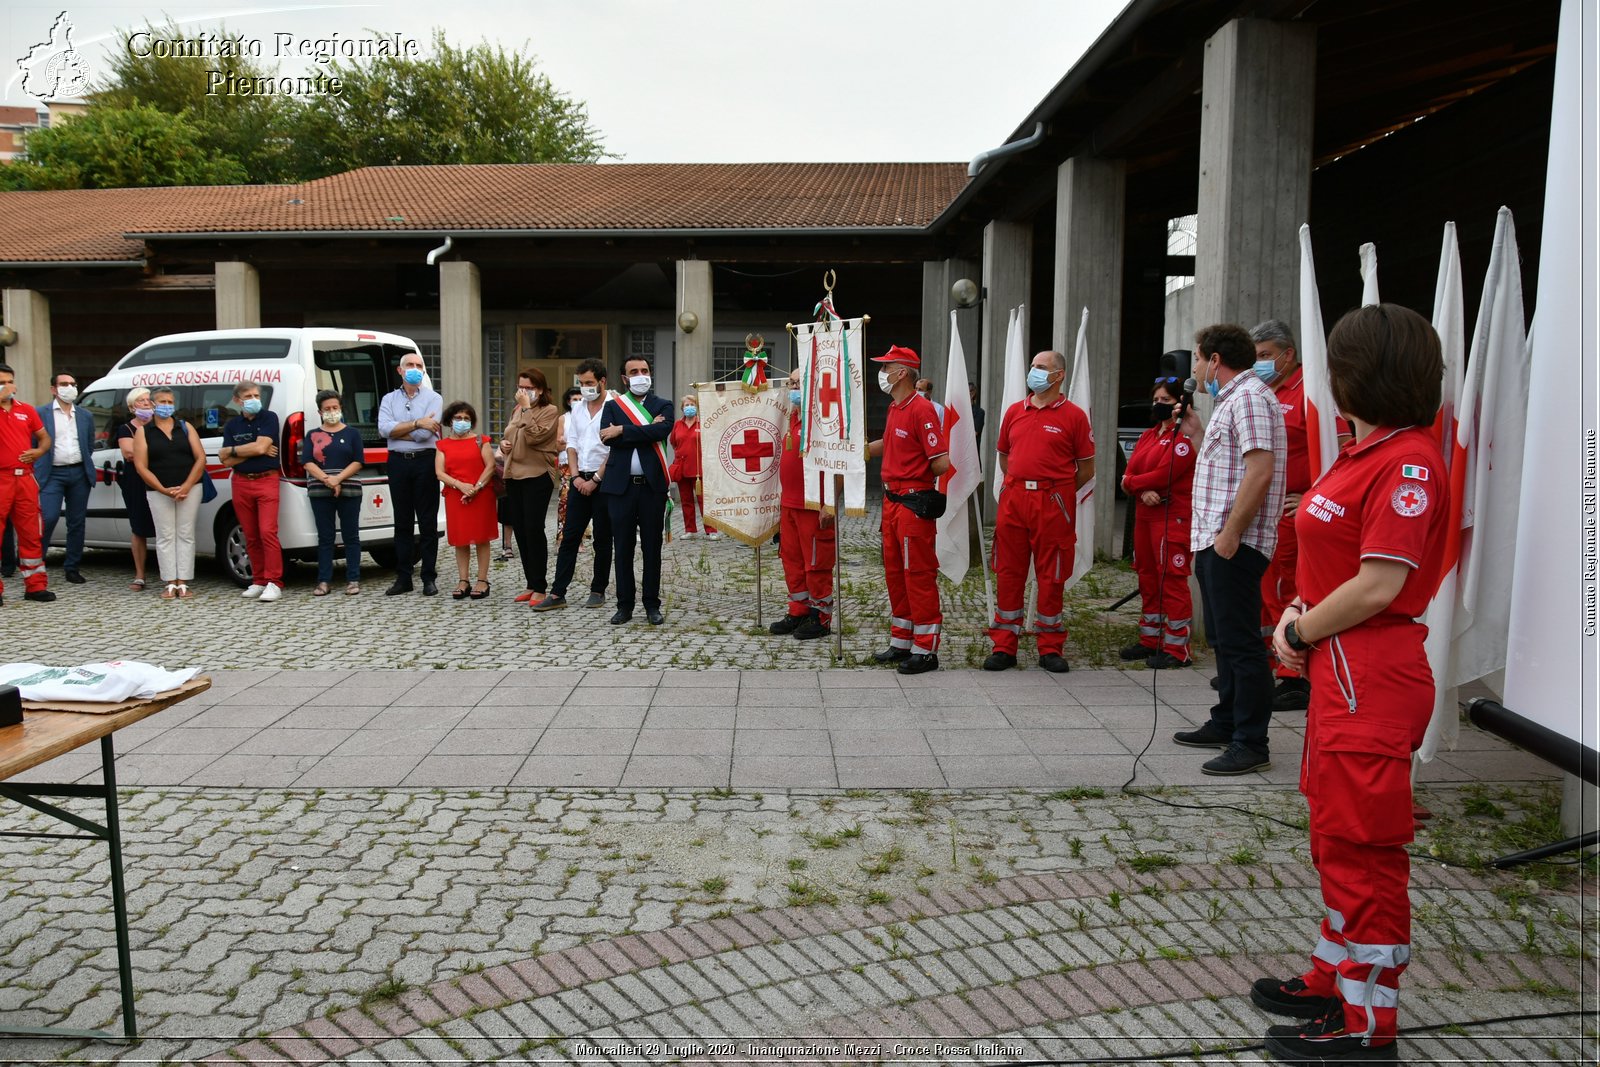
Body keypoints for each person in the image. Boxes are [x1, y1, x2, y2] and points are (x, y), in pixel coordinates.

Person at [1255, 303, 1449, 1066]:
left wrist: (1301, 629)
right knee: (1335, 835)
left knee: (1365, 849)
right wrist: (1301, 603)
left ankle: (1369, 1024)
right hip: (1342, 668)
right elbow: (1338, 558)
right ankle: (1335, 977)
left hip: (1369, 666)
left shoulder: (1407, 461)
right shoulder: (1362, 449)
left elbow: (1379, 584)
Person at [1172, 323, 1287, 775]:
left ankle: (1251, 740)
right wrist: (1198, 433)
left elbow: (1259, 470)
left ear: (1215, 359)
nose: (1196, 368)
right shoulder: (1229, 401)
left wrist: (1231, 533)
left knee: (1241, 644)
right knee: (1223, 638)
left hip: (1233, 542)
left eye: (1199, 359)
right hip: (1214, 540)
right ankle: (1227, 720)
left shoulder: (1251, 398)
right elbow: (1224, 468)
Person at [1250, 319, 1354, 712]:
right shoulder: (1266, 391)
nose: (1258, 363)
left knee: (1284, 590)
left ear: (1288, 354)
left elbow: (1342, 449)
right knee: (1264, 589)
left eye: (1264, 356)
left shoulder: (1312, 393)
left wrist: (1312, 494)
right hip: (1266, 511)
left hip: (1294, 515)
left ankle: (1293, 677)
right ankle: (1268, 661)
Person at [983, 350, 1095, 673]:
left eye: (1041, 367)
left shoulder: (1074, 416)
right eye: (1032, 366)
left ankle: (1050, 646)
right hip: (1015, 499)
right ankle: (1004, 645)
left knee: (1052, 574)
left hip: (1053, 502)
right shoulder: (1015, 412)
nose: (1033, 371)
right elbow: (1005, 458)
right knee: (1008, 571)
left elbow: (1086, 469)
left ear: (1059, 376)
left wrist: (1056, 493)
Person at [867, 345, 950, 674]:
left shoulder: (921, 408)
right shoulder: (895, 407)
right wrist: (861, 451)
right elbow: (891, 443)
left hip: (913, 502)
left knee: (917, 575)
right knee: (895, 575)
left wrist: (913, 473)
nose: (883, 373)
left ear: (903, 373)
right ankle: (902, 641)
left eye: (887, 367)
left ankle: (926, 650)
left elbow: (941, 462)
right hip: (892, 503)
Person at [1119, 377, 1196, 669]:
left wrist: (1132, 483)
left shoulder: (1183, 439)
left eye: (1165, 400)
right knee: (1148, 578)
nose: (1158, 405)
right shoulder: (1149, 435)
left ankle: (1178, 650)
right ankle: (1150, 640)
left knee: (1171, 581)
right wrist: (1136, 485)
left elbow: (1165, 474)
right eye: (1156, 400)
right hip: (1145, 516)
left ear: (1180, 403)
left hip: (1170, 517)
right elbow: (1129, 471)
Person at [598, 355, 673, 625]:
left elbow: (661, 431)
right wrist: (642, 429)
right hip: (620, 489)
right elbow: (606, 437)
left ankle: (652, 605)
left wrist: (623, 431)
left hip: (652, 489)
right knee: (624, 549)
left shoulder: (663, 404)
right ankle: (624, 605)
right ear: (625, 378)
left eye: (644, 370)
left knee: (652, 548)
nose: (640, 374)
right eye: (634, 371)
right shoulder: (614, 406)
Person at [535, 360, 613, 613]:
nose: (585, 388)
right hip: (579, 477)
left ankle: (597, 590)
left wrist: (596, 480)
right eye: (581, 383)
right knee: (570, 537)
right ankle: (558, 592)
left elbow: (615, 448)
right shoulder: (578, 409)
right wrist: (576, 476)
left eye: (590, 383)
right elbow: (572, 443)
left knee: (602, 538)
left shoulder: (616, 406)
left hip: (605, 479)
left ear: (602, 381)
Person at [771, 367, 835, 639]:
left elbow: (836, 464)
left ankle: (820, 616)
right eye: (791, 383)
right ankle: (798, 609)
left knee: (815, 563)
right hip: (790, 504)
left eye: (799, 383)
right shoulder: (792, 417)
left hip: (813, 504)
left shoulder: (823, 421)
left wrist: (829, 502)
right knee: (792, 560)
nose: (794, 388)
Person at [377, 351, 443, 596]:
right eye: (410, 365)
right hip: (398, 462)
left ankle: (428, 577)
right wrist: (416, 423)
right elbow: (383, 430)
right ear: (400, 370)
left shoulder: (434, 398)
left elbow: (426, 435)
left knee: (427, 522)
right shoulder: (388, 399)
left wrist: (400, 430)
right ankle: (403, 577)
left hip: (425, 462)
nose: (415, 368)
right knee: (402, 522)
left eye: (419, 365)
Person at [132, 387, 205, 600]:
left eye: (170, 401)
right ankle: (169, 582)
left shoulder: (185, 427)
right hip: (158, 491)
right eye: (162, 401)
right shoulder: (144, 431)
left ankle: (183, 582)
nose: (167, 405)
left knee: (185, 534)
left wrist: (187, 486)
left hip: (190, 488)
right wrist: (163, 489)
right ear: (153, 404)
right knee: (165, 535)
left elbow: (200, 458)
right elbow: (141, 466)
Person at [218, 379, 283, 602]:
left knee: (267, 532)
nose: (254, 400)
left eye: (256, 396)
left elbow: (261, 446)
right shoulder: (232, 425)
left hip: (267, 480)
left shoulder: (269, 417)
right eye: (248, 397)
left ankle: (275, 582)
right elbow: (224, 459)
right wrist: (253, 449)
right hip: (241, 482)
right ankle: (259, 580)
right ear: (237, 401)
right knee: (250, 534)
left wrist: (234, 450)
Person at [501, 368, 560, 604]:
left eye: (530, 388)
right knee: (521, 529)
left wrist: (526, 408)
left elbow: (536, 436)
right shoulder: (517, 409)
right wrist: (505, 443)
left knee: (534, 528)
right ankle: (530, 582)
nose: (524, 392)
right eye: (521, 387)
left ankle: (541, 586)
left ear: (541, 389)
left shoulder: (550, 411)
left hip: (537, 474)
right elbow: (512, 435)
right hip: (514, 473)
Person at [0, 362, 54, 604]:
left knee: (32, 533)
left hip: (25, 478)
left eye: (10, 381)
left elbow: (45, 439)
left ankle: (35, 586)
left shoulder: (27, 410)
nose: (8, 386)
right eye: (2, 381)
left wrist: (38, 452)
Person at [34, 371, 95, 584]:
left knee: (77, 522)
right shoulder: (40, 413)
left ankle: (72, 567)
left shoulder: (85, 415)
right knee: (48, 518)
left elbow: (89, 444)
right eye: (64, 384)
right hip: (52, 474)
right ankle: (36, 564)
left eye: (73, 383)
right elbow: (34, 444)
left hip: (79, 472)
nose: (69, 387)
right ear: (53, 389)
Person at [302, 389, 364, 596]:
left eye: (335, 407)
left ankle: (353, 579)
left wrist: (338, 479)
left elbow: (358, 461)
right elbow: (308, 463)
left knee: (351, 535)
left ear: (341, 408)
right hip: (320, 491)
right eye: (327, 408)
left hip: (350, 490)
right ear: (320, 411)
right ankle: (324, 581)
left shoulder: (352, 433)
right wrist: (328, 480)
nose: (331, 411)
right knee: (325, 537)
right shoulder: (312, 435)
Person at [436, 401, 497, 600]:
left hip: (480, 494)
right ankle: (463, 580)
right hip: (456, 495)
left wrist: (476, 487)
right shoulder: (443, 444)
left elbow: (490, 466)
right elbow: (439, 472)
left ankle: (482, 579)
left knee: (481, 537)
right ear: (450, 420)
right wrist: (460, 486)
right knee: (460, 539)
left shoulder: (481, 440)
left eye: (467, 419)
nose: (462, 422)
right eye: (458, 418)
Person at [114, 388, 158, 591]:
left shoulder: (161, 425)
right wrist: (160, 451)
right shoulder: (125, 429)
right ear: (132, 407)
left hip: (162, 478)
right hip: (136, 482)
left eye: (149, 400)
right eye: (141, 401)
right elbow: (130, 454)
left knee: (164, 527)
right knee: (138, 528)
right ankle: (140, 575)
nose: (147, 403)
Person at [668, 393, 718, 540]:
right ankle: (690, 530)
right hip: (682, 468)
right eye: (686, 405)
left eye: (692, 405)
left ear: (697, 407)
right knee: (686, 500)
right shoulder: (678, 424)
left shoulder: (702, 423)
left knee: (704, 500)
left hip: (698, 469)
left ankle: (711, 530)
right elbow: (673, 442)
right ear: (682, 408)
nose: (689, 407)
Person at [554, 385, 581, 535]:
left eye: (580, 399)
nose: (577, 401)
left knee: (582, 504)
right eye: (574, 399)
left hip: (584, 464)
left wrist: (569, 442)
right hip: (566, 466)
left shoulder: (588, 415)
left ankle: (581, 537)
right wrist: (573, 444)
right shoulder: (563, 419)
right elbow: (558, 444)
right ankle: (562, 536)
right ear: (568, 401)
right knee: (565, 500)